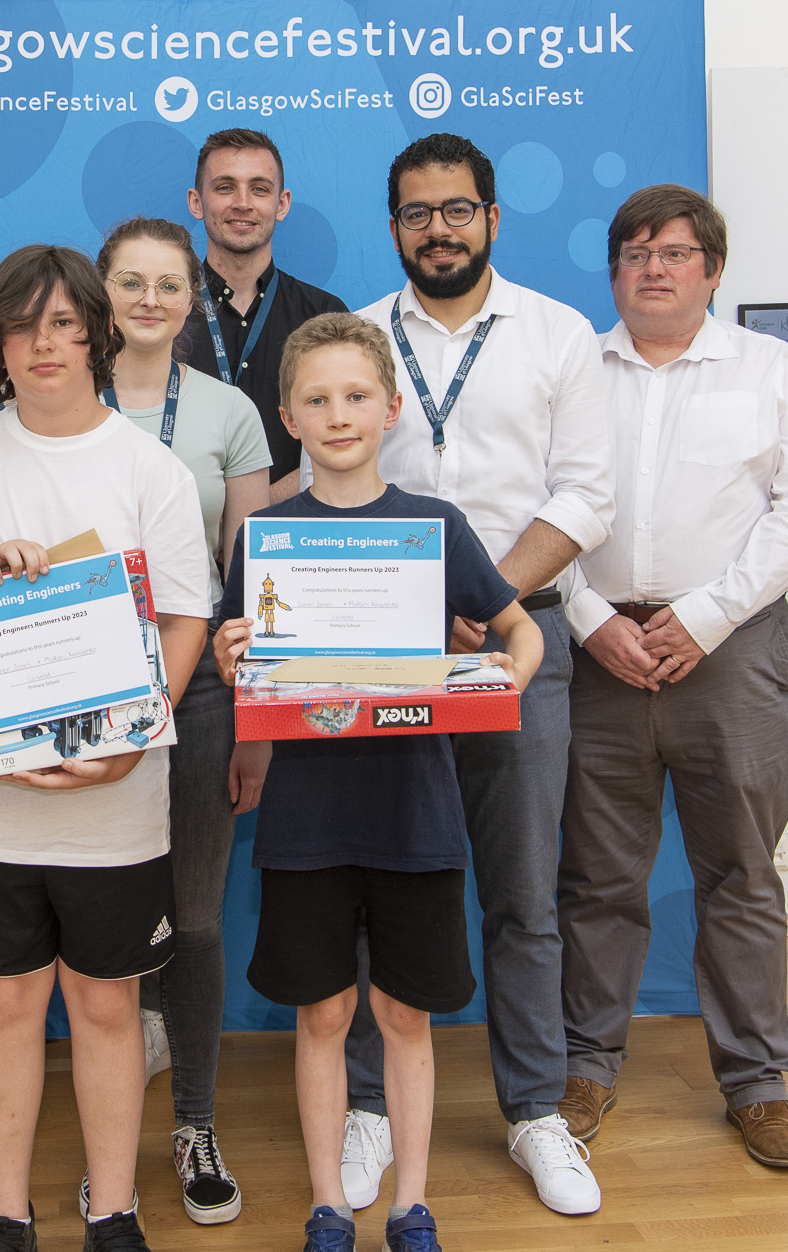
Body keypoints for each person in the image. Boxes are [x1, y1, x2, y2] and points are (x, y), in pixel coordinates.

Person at [0, 245, 211, 1252]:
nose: (43, 345)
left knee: (108, 1011)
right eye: (21, 326)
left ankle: (111, 1210)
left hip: (115, 806)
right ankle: (4, 1214)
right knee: (4, 1008)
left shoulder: (147, 468)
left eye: (63, 324)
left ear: (95, 334)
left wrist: (127, 742)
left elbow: (186, 619)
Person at [216, 312, 543, 1252]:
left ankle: (410, 1203)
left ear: (392, 408)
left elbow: (520, 634)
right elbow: (249, 679)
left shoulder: (434, 527)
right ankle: (328, 1202)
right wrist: (238, 659)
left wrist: (494, 684)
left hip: (415, 812)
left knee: (404, 1011)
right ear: (288, 416)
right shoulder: (266, 537)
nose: (338, 413)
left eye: (356, 395)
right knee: (322, 1012)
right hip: (308, 821)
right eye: (315, 399)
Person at [337, 133, 613, 1218]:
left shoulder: (557, 334)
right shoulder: (354, 335)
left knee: (520, 891)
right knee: (373, 882)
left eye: (457, 210)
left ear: (491, 218)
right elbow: (330, 474)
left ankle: (534, 1110)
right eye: (416, 213)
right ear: (394, 225)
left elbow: (586, 496)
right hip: (378, 646)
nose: (437, 229)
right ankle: (366, 1103)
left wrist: (484, 595)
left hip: (518, 646)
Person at [554, 186, 788, 1170]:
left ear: (711, 270)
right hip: (598, 655)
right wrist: (588, 621)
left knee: (740, 872)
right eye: (634, 252)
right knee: (594, 875)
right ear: (613, 270)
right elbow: (533, 502)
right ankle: (585, 1065)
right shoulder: (572, 368)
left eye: (675, 252)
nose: (654, 268)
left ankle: (756, 1081)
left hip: (730, 649)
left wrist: (707, 615)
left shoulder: (768, 371)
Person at [95, 215, 271, 1224]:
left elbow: (242, 576)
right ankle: (110, 1139)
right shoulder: (58, 395)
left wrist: (251, 722)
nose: (151, 300)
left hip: (198, 680)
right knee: (107, 921)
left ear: (189, 296)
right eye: (131, 281)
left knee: (195, 919)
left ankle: (195, 1121)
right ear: (101, 288)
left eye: (169, 283)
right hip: (81, 681)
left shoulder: (228, 411)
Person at [179, 128, 346, 497]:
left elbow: (344, 435)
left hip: (294, 535)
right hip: (181, 535)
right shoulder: (163, 312)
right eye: (224, 188)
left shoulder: (325, 315)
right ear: (196, 201)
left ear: (282, 204)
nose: (243, 203)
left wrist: (258, 511)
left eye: (259, 188)